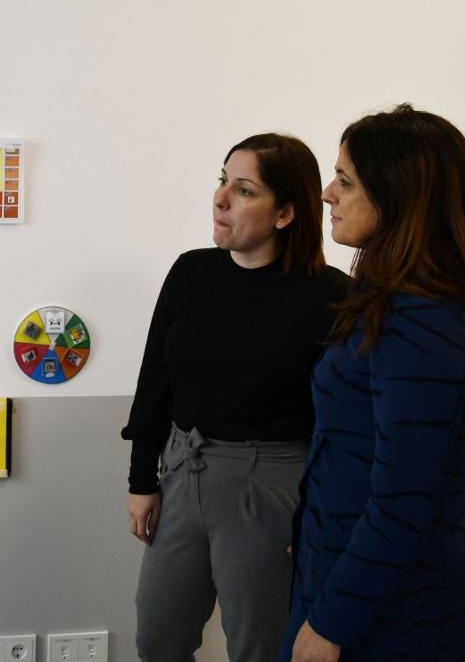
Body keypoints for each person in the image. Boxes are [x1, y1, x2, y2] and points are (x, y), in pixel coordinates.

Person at [280, 104, 465, 662]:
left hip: (390, 604)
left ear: (399, 197)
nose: (327, 195)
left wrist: (332, 623)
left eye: (345, 181)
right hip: (350, 567)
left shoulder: (422, 322)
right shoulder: (389, 301)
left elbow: (404, 500)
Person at [122, 133, 350, 662]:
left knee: (258, 645)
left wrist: (318, 515)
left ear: (285, 213)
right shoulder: (191, 271)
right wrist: (141, 480)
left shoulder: (332, 296)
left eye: (244, 190)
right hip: (183, 468)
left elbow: (341, 422)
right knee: (158, 637)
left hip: (269, 482)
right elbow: (155, 380)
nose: (221, 199)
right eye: (222, 181)